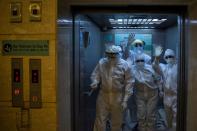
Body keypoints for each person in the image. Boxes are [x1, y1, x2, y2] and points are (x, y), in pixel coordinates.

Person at [90, 45, 134, 131]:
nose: (111, 56)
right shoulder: (102, 62)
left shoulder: (124, 64)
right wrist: (95, 82)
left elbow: (130, 82)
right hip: (103, 95)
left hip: (118, 96)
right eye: (109, 54)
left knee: (117, 121)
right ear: (106, 53)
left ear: (118, 54)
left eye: (114, 54)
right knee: (100, 119)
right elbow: (95, 74)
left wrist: (125, 100)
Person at [132, 54, 162, 131]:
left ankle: (150, 129)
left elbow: (158, 79)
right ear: (135, 62)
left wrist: (161, 90)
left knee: (150, 114)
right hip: (139, 95)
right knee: (141, 114)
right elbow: (128, 81)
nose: (140, 62)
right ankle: (141, 129)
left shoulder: (150, 68)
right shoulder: (132, 70)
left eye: (142, 61)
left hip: (152, 94)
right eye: (138, 61)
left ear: (145, 61)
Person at [153, 49, 177, 130]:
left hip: (176, 96)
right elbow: (155, 66)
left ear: (175, 57)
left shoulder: (179, 68)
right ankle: (169, 128)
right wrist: (157, 57)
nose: (169, 58)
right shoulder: (163, 67)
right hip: (166, 96)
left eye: (171, 56)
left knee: (176, 116)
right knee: (168, 115)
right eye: (167, 57)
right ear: (164, 58)